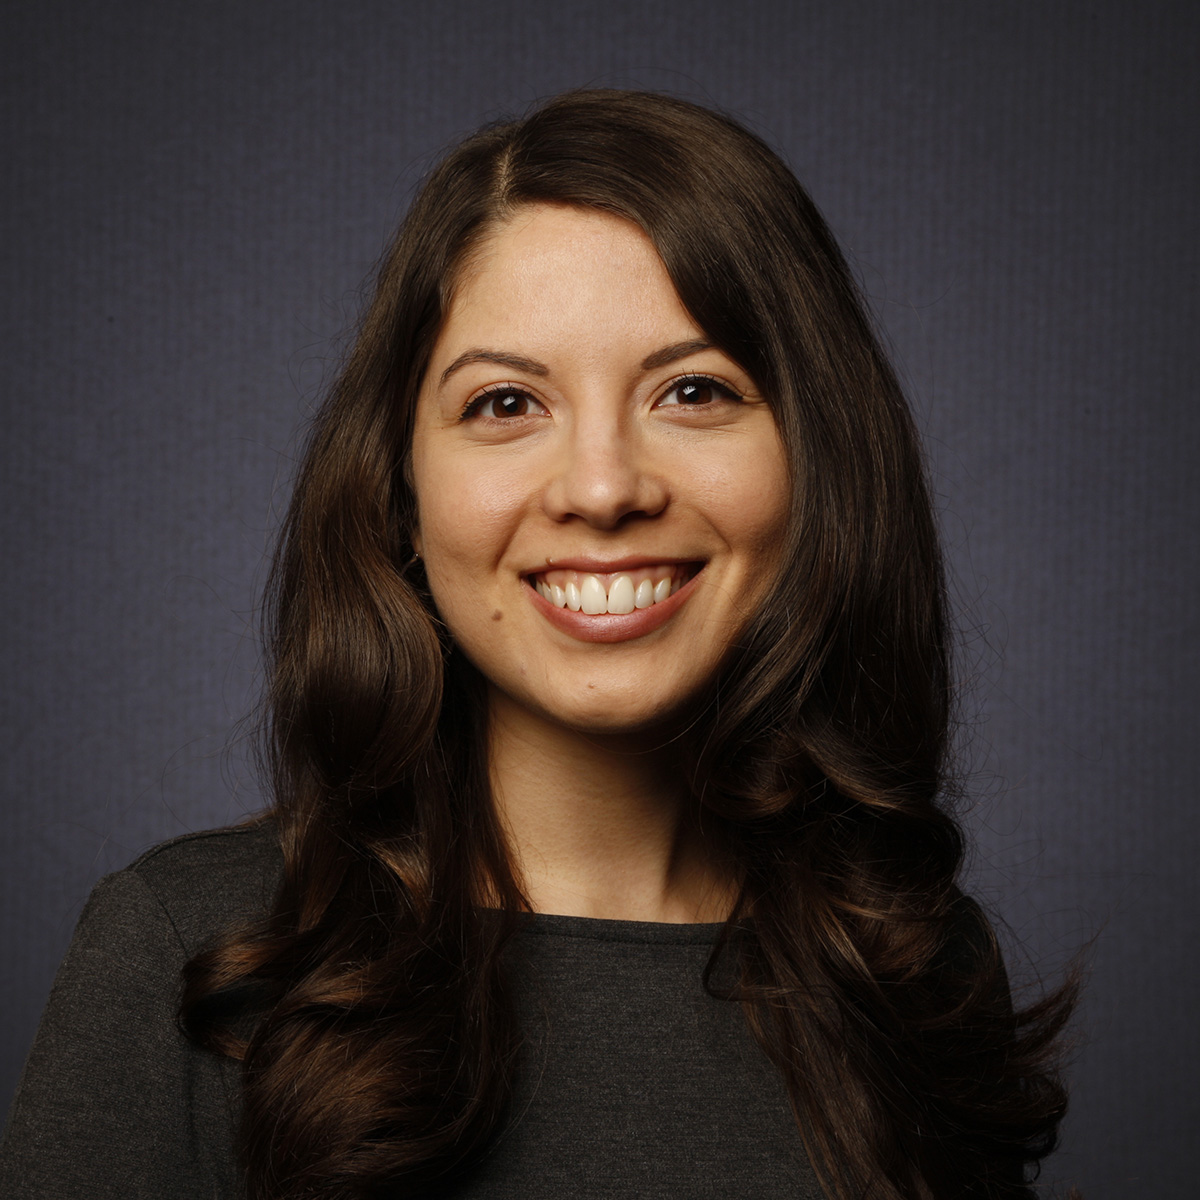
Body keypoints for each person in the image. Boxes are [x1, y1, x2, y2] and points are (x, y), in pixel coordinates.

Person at [0, 90, 1075, 1199]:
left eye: (695, 390)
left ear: (820, 463)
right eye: (507, 402)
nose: (604, 488)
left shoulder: (919, 971)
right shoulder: (192, 955)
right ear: (402, 494)